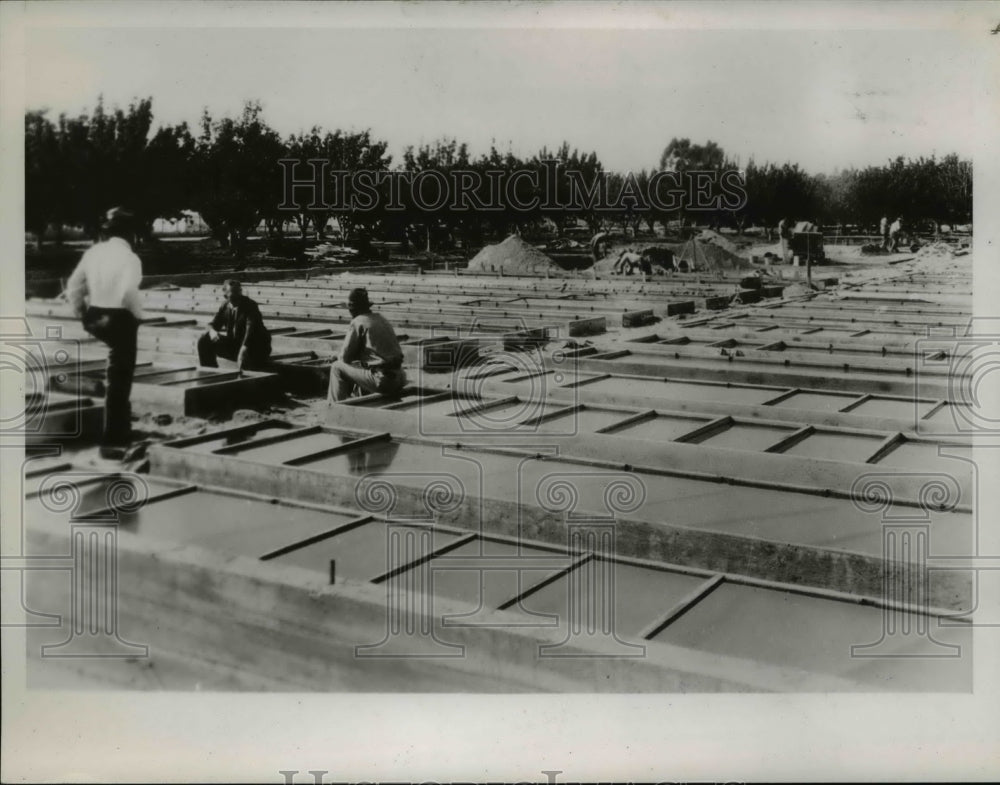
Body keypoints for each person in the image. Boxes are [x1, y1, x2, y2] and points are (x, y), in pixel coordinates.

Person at [65, 207, 143, 460]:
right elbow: (128, 293)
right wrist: (136, 317)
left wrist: (83, 315)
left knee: (115, 372)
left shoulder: (94, 252)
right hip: (119, 317)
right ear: (129, 234)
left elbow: (74, 287)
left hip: (96, 315)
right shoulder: (130, 258)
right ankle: (115, 438)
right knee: (120, 378)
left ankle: (121, 427)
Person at [328, 288, 406, 403]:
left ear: (353, 309)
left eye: (350, 309)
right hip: (400, 377)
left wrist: (337, 357)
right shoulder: (381, 318)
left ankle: (334, 409)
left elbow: (345, 357)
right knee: (360, 365)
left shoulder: (358, 321)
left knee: (336, 367)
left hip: (383, 381)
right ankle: (359, 398)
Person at [197, 279, 271, 373]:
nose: (238, 296)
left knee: (247, 355)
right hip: (236, 345)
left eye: (239, 292)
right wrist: (213, 332)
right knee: (204, 339)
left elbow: (251, 329)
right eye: (234, 293)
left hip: (255, 348)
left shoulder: (250, 305)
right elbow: (212, 324)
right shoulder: (225, 306)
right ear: (226, 295)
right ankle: (210, 373)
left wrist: (244, 348)